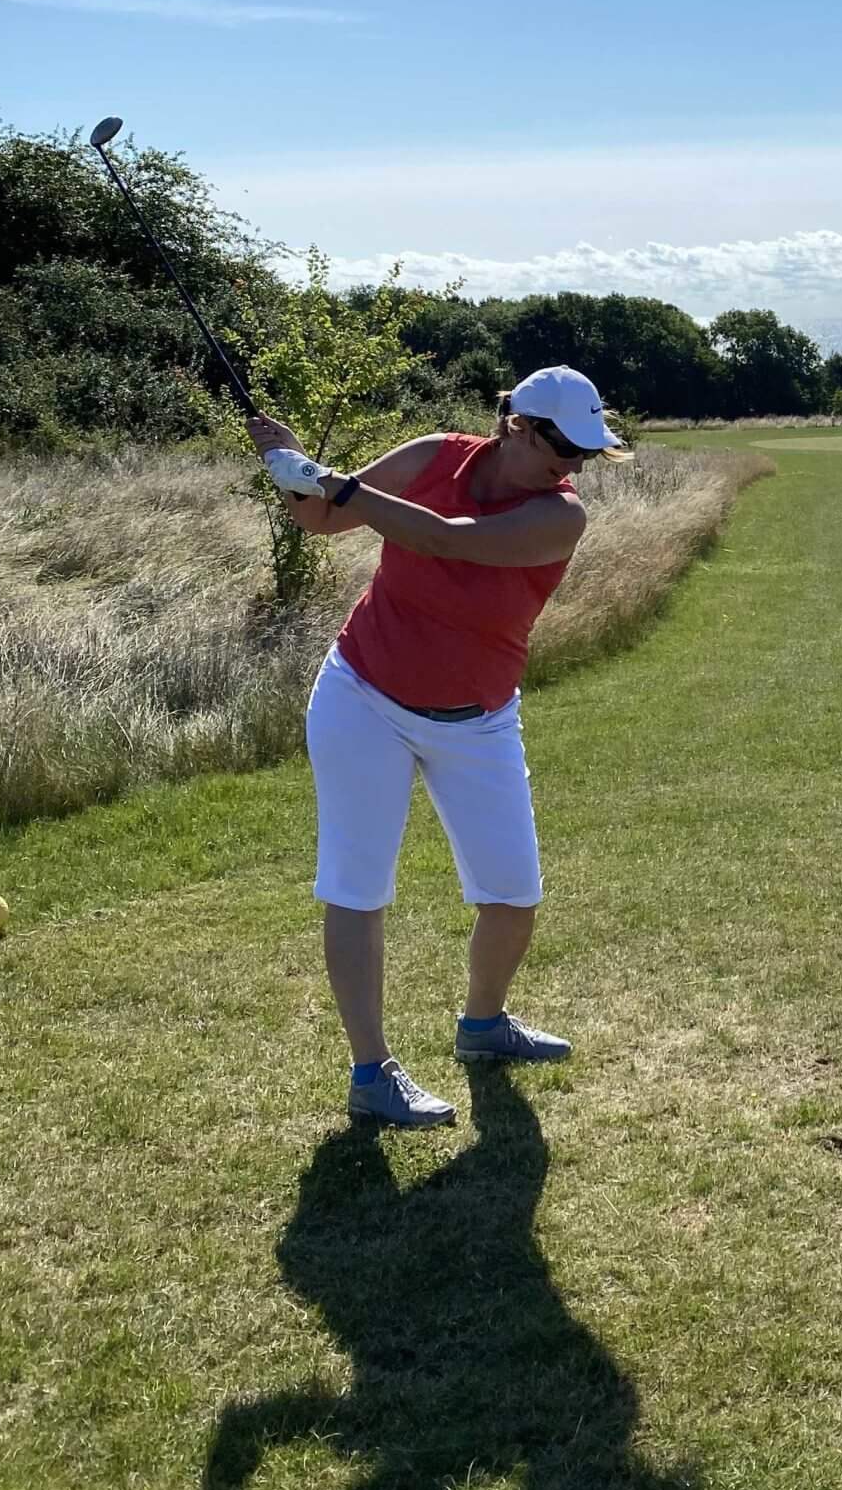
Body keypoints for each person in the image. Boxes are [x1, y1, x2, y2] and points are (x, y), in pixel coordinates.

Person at [246, 366, 626, 1130]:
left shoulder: (560, 516)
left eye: (588, 451)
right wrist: (287, 466)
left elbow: (443, 538)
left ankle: (483, 1025)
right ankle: (372, 1071)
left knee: (513, 894)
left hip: (479, 719)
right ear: (518, 425)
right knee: (357, 885)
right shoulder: (433, 456)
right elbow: (320, 519)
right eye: (567, 448)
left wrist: (328, 480)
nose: (578, 466)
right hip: (362, 696)